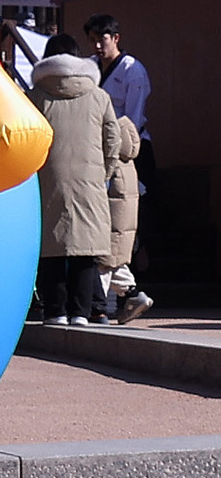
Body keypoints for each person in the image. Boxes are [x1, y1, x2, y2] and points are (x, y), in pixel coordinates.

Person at [29, 33, 120, 328]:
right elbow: (113, 139)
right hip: (90, 178)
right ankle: (81, 312)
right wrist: (103, 172)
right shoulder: (99, 96)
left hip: (46, 178)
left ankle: (55, 310)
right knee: (86, 249)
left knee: (51, 245)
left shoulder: (35, 96)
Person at [82, 13, 154, 321]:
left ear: (116, 38)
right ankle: (119, 296)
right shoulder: (89, 67)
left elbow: (133, 119)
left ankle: (108, 300)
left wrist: (123, 149)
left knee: (124, 225)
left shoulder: (132, 70)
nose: (98, 45)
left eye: (104, 39)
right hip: (97, 149)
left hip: (129, 148)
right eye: (94, 39)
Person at [103, 114, 152, 324]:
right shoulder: (130, 165)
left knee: (102, 265)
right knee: (114, 264)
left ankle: (99, 311)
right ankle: (134, 294)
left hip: (108, 226)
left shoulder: (111, 164)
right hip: (125, 229)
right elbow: (142, 191)